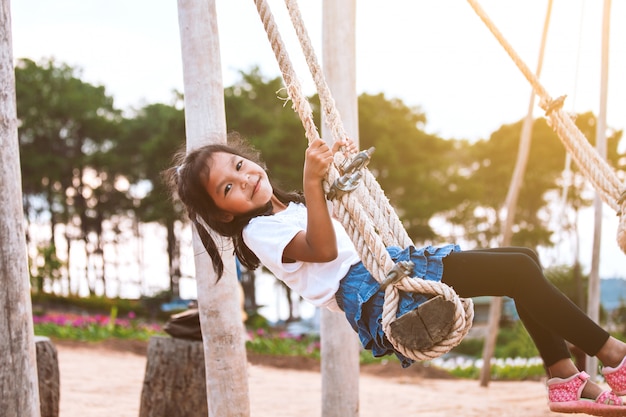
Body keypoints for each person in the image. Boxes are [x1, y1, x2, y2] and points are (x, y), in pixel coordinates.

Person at [166, 132, 626, 416]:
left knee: (522, 259)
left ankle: (564, 376)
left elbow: (336, 225)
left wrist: (334, 177)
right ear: (223, 215)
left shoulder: (293, 207)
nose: (244, 179)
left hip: (385, 263)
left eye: (240, 166)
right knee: (517, 272)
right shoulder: (258, 233)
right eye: (228, 187)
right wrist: (313, 181)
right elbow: (324, 250)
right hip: (377, 290)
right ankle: (612, 356)